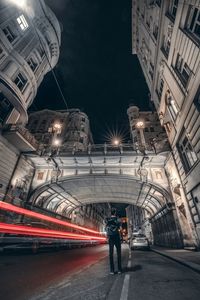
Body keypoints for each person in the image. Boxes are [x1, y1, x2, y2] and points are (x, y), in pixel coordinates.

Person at [105, 208, 122, 274]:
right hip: (117, 237)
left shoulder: (108, 220)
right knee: (118, 253)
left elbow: (106, 228)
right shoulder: (118, 220)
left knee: (111, 254)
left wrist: (107, 236)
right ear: (115, 213)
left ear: (111, 213)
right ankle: (119, 270)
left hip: (111, 238)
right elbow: (120, 229)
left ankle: (112, 270)